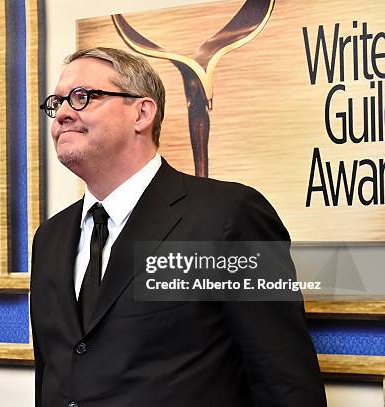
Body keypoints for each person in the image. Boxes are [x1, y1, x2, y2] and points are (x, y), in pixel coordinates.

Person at [30, 47, 326, 407]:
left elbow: (285, 382)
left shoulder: (228, 217)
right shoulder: (50, 237)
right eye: (56, 102)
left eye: (81, 97)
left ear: (141, 112)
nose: (60, 114)